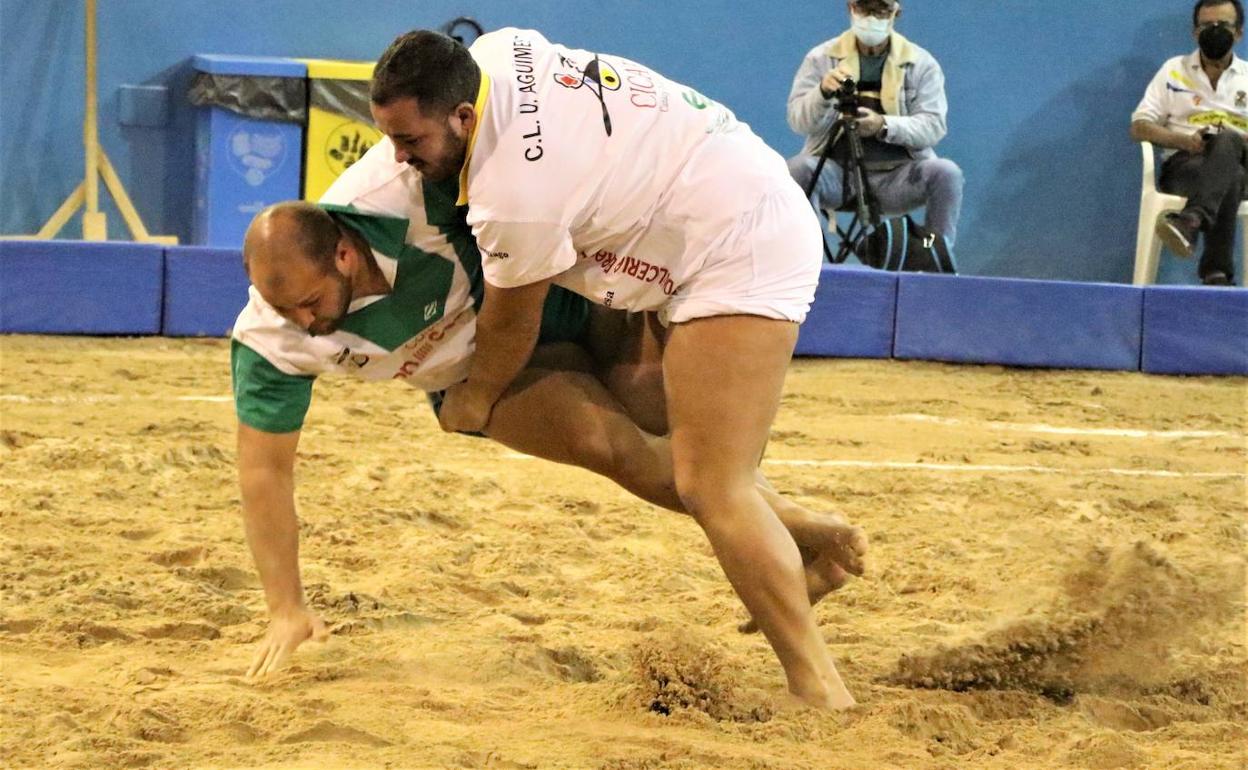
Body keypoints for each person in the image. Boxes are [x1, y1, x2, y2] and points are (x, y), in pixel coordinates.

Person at [234, 139, 868, 683]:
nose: (304, 324)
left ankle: (801, 542)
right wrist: (286, 608)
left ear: (344, 254)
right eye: (282, 310)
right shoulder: (272, 339)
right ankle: (808, 537)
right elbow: (265, 473)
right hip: (483, 375)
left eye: (310, 303)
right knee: (637, 461)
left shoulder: (414, 188)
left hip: (575, 299)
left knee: (683, 430)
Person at [368, 28, 857, 709]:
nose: (398, 158)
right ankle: (811, 541)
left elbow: (513, 325)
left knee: (710, 485)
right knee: (655, 416)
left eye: (410, 143)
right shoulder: (496, 51)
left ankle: (819, 687)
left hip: (738, 244)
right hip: (715, 190)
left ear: (463, 117)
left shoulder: (515, 195)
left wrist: (473, 405)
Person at [786, 0, 963, 250]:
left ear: (895, 13)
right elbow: (798, 120)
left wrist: (883, 125)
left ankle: (935, 255)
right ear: (851, 9)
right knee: (797, 170)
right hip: (840, 177)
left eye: (880, 10)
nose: (871, 18)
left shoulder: (922, 64)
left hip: (899, 177)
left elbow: (933, 126)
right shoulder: (820, 59)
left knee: (947, 173)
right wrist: (822, 93)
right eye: (864, 8)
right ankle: (806, 257)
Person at [1133, 0, 1247, 286]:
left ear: (1239, 33)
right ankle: (1216, 273)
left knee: (1229, 141)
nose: (1215, 31)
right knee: (1230, 174)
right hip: (1187, 165)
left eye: (1223, 25)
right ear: (1195, 33)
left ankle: (1191, 221)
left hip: (1243, 157)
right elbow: (1139, 126)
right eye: (1208, 26)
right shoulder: (1173, 70)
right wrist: (1184, 141)